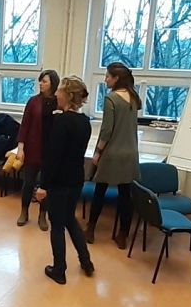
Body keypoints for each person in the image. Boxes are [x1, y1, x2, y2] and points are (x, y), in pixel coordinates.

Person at [35, 76, 95, 285]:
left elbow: (53, 157)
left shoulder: (61, 122)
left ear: (67, 96)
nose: (56, 94)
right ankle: (86, 262)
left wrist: (43, 186)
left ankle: (59, 270)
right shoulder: (85, 122)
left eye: (59, 91)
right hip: (76, 179)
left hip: (59, 182)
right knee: (70, 219)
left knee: (58, 225)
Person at [85, 62, 141, 248]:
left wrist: (97, 152)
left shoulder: (111, 99)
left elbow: (107, 130)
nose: (105, 80)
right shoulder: (134, 98)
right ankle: (123, 235)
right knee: (125, 195)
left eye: (108, 76)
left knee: (100, 190)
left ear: (116, 78)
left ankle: (90, 230)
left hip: (112, 152)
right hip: (130, 153)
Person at [15, 70, 59, 230]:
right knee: (28, 182)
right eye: (40, 81)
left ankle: (42, 214)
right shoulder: (33, 101)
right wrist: (20, 148)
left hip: (50, 150)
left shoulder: (58, 102)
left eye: (44, 81)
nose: (41, 84)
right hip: (33, 148)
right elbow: (24, 125)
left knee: (46, 184)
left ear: (53, 84)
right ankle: (24, 211)